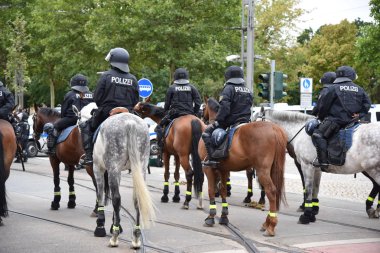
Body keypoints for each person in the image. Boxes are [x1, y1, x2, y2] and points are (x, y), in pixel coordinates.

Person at [79, 47, 139, 165]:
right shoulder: (133, 79)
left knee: (85, 126)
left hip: (107, 112)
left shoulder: (106, 76)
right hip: (127, 113)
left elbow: (97, 98)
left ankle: (89, 156)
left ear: (113, 61)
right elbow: (135, 100)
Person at [312, 66, 371, 169]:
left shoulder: (332, 88)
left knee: (317, 134)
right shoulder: (359, 89)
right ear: (351, 75)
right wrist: (360, 115)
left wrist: (321, 118)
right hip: (353, 122)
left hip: (335, 122)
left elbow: (323, 106)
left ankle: (323, 162)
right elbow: (367, 104)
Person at [202, 65, 253, 168]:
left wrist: (218, 121)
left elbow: (224, 107)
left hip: (231, 122)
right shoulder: (247, 90)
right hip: (246, 121)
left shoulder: (228, 88)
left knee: (206, 133)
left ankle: (212, 160)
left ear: (228, 76)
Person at [154, 68, 202, 151]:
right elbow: (198, 102)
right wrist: (194, 112)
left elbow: (167, 104)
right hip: (190, 113)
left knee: (158, 127)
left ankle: (160, 146)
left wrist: (166, 112)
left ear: (175, 77)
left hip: (174, 114)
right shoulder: (192, 87)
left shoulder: (172, 88)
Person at [44, 74, 93, 155]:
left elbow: (64, 111)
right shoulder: (91, 94)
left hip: (71, 119)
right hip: (87, 120)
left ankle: (51, 149)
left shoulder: (69, 94)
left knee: (55, 126)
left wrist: (62, 118)